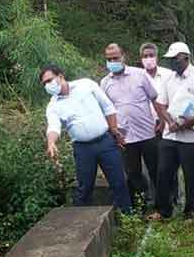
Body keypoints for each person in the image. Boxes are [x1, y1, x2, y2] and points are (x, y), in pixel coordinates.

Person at [40, 63, 131, 214]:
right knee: (84, 187)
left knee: (118, 181)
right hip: (83, 149)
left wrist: (115, 132)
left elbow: (107, 107)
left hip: (105, 141)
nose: (48, 85)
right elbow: (54, 126)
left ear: (60, 76)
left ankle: (127, 217)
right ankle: (81, 222)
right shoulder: (53, 106)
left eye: (50, 80)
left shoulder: (86, 85)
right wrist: (51, 142)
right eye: (44, 84)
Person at [100, 43, 163, 211]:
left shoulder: (140, 75)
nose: (112, 61)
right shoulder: (105, 83)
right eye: (109, 59)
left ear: (123, 57)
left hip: (148, 132)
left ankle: (163, 206)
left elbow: (154, 99)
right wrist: (113, 131)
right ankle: (143, 204)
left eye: (115, 58)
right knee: (133, 173)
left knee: (156, 170)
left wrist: (163, 120)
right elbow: (106, 110)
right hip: (125, 137)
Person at [154, 42, 194, 219]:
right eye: (170, 60)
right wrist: (169, 121)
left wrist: (188, 122)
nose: (172, 63)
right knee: (163, 172)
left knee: (191, 176)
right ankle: (163, 210)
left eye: (175, 59)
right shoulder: (168, 78)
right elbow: (161, 104)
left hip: (192, 137)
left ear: (185, 57)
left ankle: (190, 212)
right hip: (170, 134)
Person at [138, 42, 175, 209]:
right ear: (140, 59)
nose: (148, 59)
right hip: (146, 128)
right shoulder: (137, 76)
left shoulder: (168, 75)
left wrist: (165, 120)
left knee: (170, 164)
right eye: (145, 56)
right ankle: (155, 201)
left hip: (167, 125)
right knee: (150, 166)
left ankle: (174, 199)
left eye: (151, 55)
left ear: (157, 57)